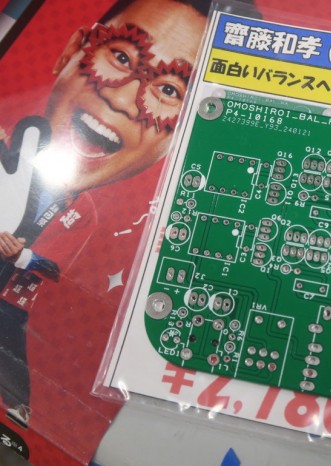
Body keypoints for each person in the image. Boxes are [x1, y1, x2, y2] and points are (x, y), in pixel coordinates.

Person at [0, 0, 216, 429]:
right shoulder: (11, 151)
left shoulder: (87, 219)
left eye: (169, 90)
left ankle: (18, 404)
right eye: (120, 57)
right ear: (73, 50)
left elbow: (52, 268)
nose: (122, 100)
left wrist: (18, 254)